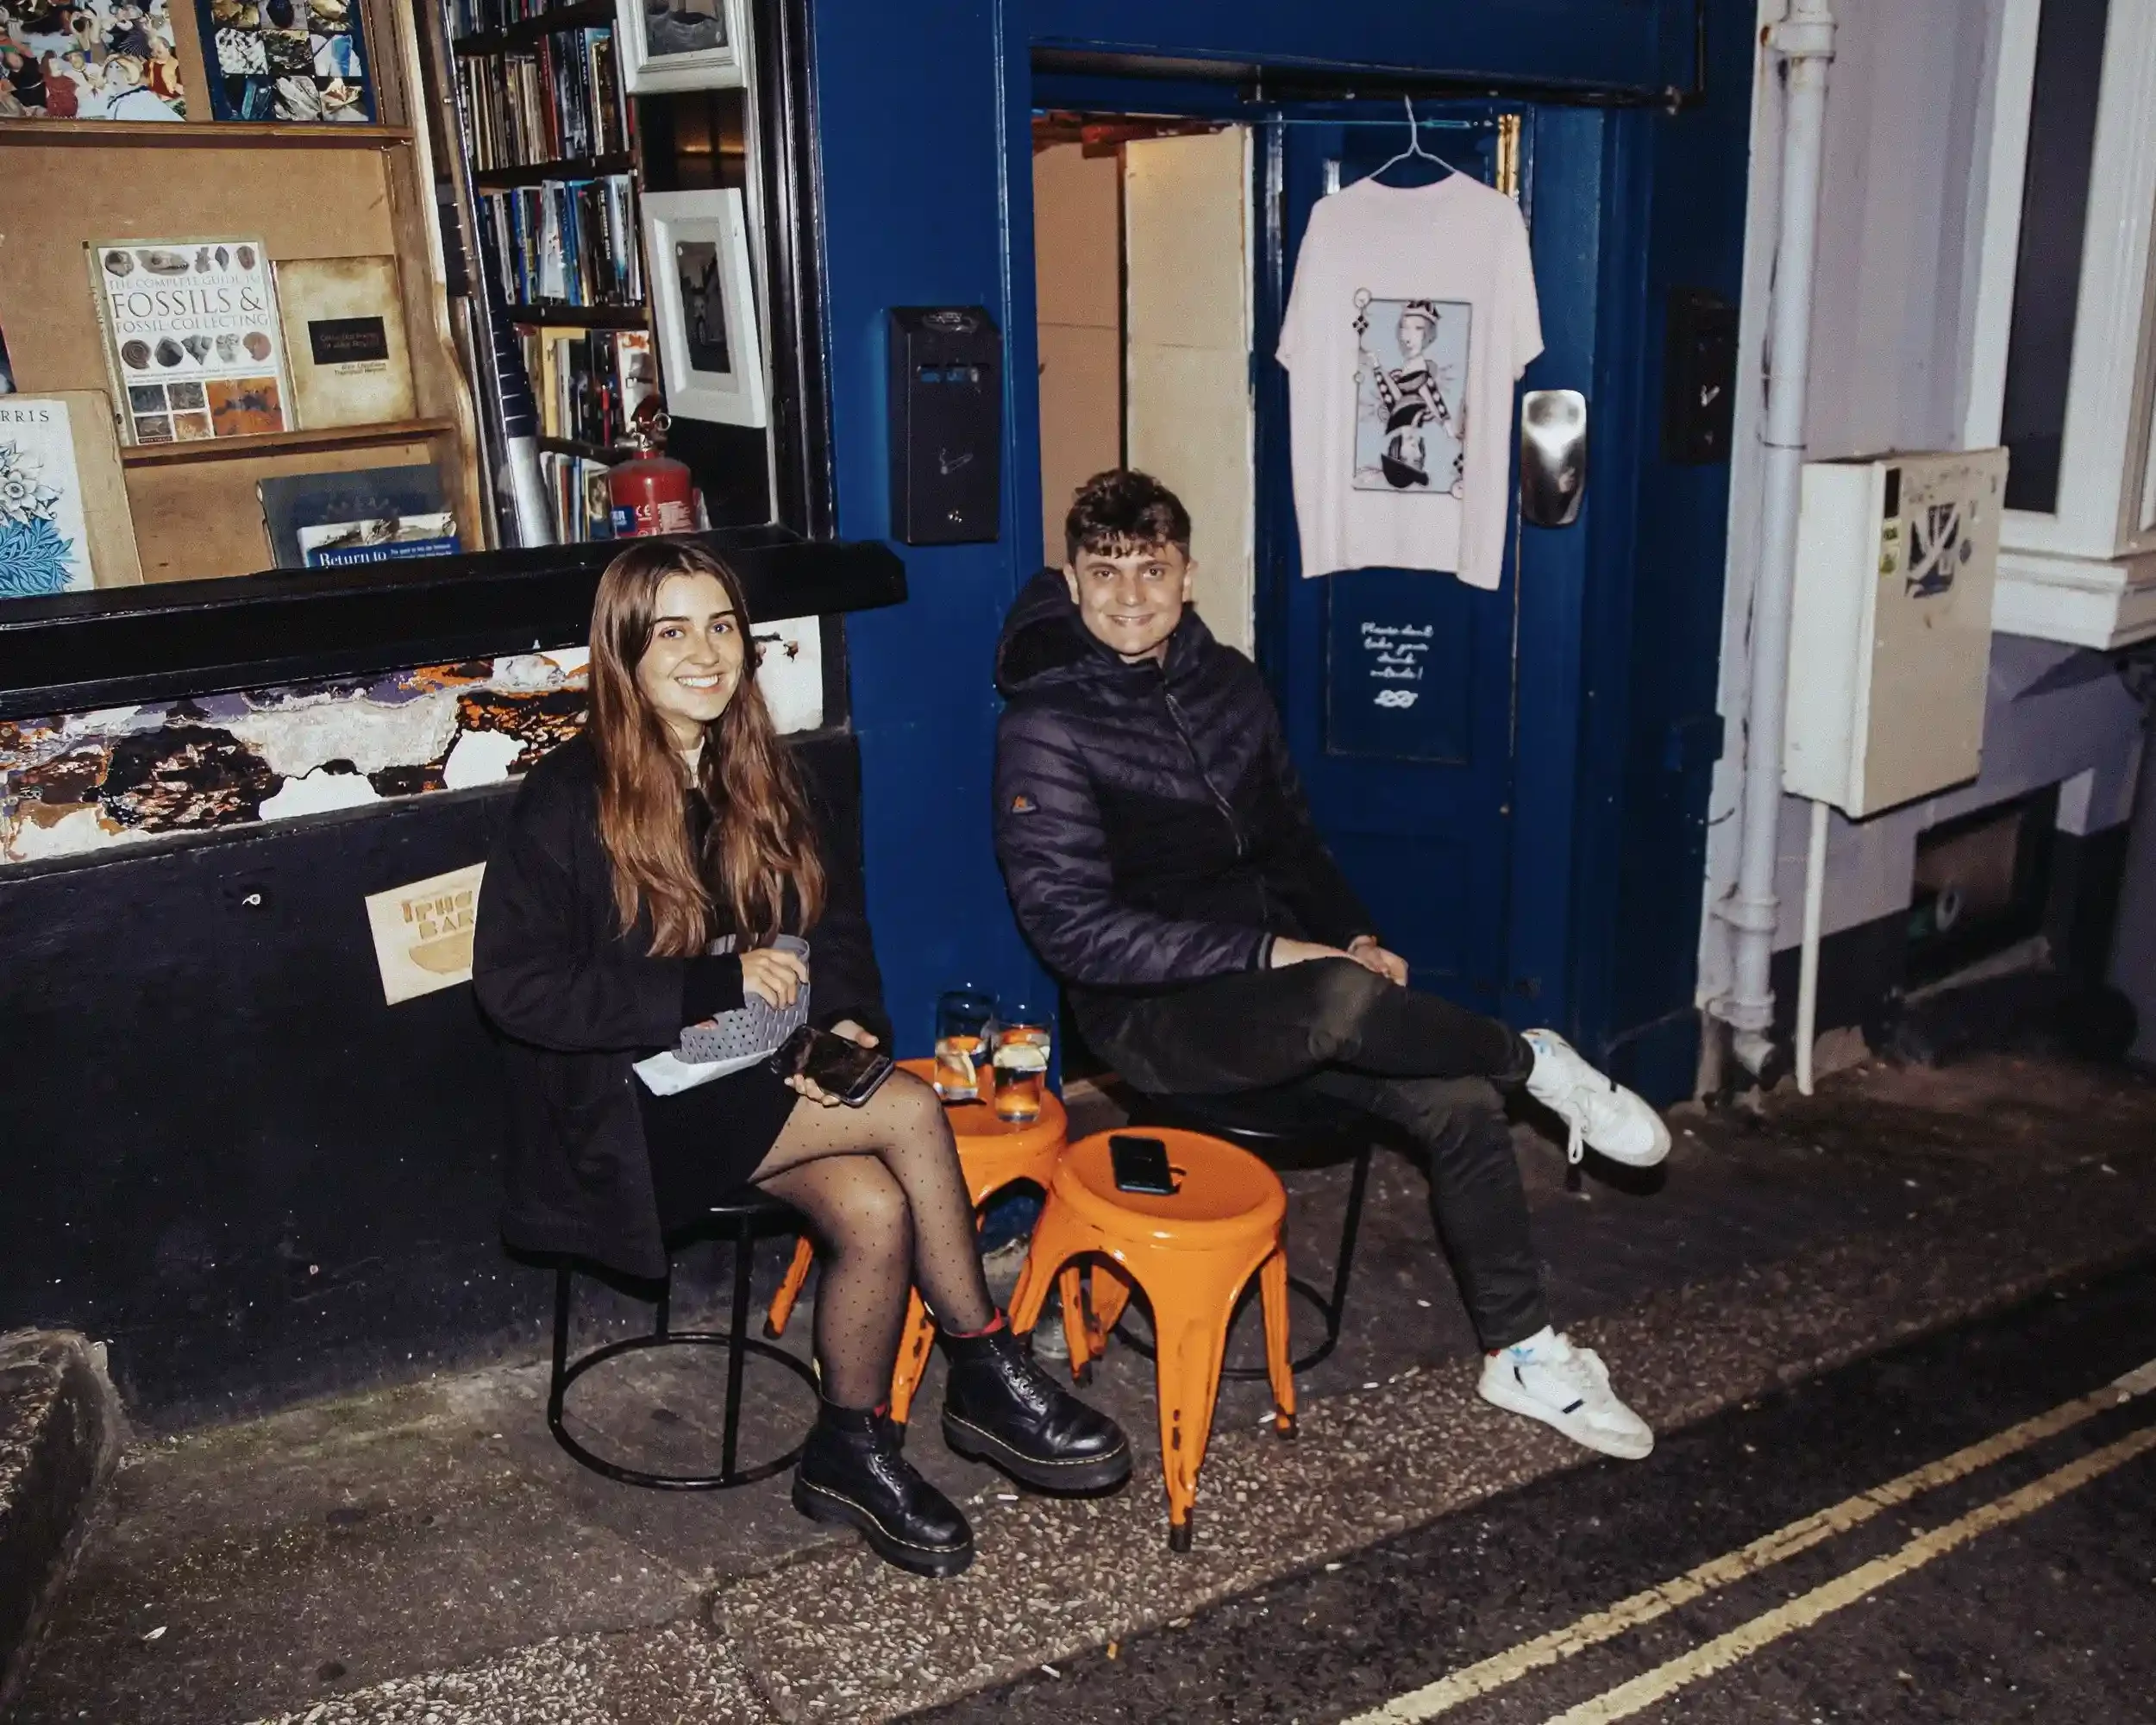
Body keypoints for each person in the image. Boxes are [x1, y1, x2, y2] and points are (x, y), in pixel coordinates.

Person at [474, 541, 1129, 1578]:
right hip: (635, 1102)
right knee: (909, 1111)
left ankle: (849, 1447)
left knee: (873, 1208)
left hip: (754, 1068)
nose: (706, 653)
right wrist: (710, 987)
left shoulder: (765, 772)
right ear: (624, 650)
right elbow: (514, 990)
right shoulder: (569, 798)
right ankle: (982, 1362)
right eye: (673, 630)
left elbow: (838, 922)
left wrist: (856, 1015)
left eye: (722, 625)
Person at [993, 469, 1671, 1461]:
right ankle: (1536, 1063)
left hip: (1294, 989)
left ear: (1188, 573)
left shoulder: (1228, 681)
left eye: (1152, 567)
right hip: (1152, 1013)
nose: (1130, 595)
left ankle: (1521, 1350)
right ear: (1071, 577)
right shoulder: (1044, 723)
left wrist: (1349, 932)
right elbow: (1073, 931)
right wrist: (1276, 950)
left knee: (1456, 1101)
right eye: (1105, 572)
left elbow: (1292, 842)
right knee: (1347, 1005)